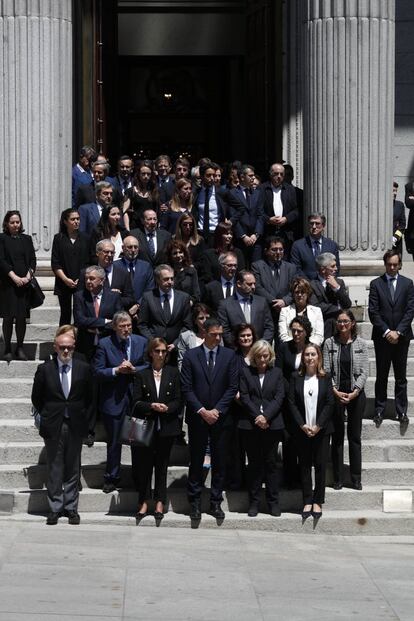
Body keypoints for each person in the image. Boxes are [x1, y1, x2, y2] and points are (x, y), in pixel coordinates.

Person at [31, 327, 93, 525]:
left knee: (73, 467)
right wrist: (49, 415)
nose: (66, 352)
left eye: (69, 348)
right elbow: (37, 398)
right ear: (55, 348)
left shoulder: (83, 368)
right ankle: (55, 508)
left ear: (74, 347)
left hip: (75, 423)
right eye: (62, 348)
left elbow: (90, 398)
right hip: (54, 424)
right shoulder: (45, 369)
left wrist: (85, 420)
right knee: (55, 467)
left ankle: (71, 508)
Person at [181, 318, 239, 521]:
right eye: (214, 334)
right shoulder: (191, 356)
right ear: (204, 333)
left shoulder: (229, 356)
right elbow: (187, 388)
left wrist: (217, 410)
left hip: (221, 419)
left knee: (220, 461)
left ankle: (215, 502)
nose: (218, 338)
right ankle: (194, 503)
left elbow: (232, 387)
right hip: (198, 418)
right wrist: (202, 410)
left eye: (220, 334)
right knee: (196, 460)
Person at [93, 311, 148, 493]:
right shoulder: (104, 344)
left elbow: (148, 366)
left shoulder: (141, 342)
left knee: (137, 441)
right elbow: (98, 372)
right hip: (114, 400)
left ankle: (139, 477)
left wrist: (134, 370)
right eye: (122, 326)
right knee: (115, 441)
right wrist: (117, 370)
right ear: (115, 327)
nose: (126, 329)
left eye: (129, 325)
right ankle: (112, 477)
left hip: (135, 400)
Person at [131, 337, 183, 521]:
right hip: (147, 426)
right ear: (151, 353)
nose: (160, 354)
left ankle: (160, 500)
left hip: (166, 426)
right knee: (144, 465)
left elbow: (178, 399)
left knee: (162, 465)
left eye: (163, 351)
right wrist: (151, 406)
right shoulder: (141, 374)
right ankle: (143, 501)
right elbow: (136, 401)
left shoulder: (173, 373)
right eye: (157, 351)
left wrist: (168, 408)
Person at [323, 310, 369, 491]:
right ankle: (338, 478)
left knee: (355, 437)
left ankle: (356, 478)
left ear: (352, 323)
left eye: (346, 321)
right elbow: (326, 370)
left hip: (355, 395)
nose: (342, 325)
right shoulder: (329, 343)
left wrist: (355, 392)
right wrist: (334, 390)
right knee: (337, 438)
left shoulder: (361, 344)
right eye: (339, 321)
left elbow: (365, 370)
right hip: (335, 395)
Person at [239, 340, 285, 516]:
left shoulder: (277, 373)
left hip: (271, 425)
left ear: (270, 356)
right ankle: (254, 503)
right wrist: (257, 416)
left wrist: (266, 416)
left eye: (265, 355)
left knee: (271, 464)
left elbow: (279, 397)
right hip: (251, 425)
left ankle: (273, 502)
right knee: (254, 465)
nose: (262, 359)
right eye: (259, 356)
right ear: (254, 356)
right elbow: (244, 396)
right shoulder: (245, 373)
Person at [368, 249, 414, 427]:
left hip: (402, 338)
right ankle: (379, 409)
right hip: (382, 337)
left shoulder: (408, 284)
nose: (392, 267)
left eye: (395, 264)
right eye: (389, 264)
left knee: (401, 376)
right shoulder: (376, 284)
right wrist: (387, 332)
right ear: (385, 264)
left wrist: (399, 332)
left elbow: (410, 310)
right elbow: (373, 311)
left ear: (400, 264)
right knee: (382, 374)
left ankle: (401, 410)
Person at [288, 344, 334, 519]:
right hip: (303, 430)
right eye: (307, 354)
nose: (310, 357)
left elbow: (330, 403)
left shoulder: (325, 377)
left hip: (321, 430)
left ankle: (318, 500)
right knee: (305, 465)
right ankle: (307, 499)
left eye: (313, 354)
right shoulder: (295, 377)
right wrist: (302, 425)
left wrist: (318, 425)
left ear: (319, 357)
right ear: (303, 358)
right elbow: (291, 402)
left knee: (321, 465)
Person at [276, 316, 313, 489]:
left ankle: (303, 478)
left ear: (306, 332)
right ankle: (289, 477)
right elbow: (279, 372)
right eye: (294, 330)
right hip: (288, 400)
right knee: (288, 439)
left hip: (307, 399)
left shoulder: (312, 348)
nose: (296, 334)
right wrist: (290, 391)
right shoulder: (284, 347)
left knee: (304, 441)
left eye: (299, 331)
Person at [0, 210, 36, 361]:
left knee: (21, 317)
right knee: (8, 317)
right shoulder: (2, 238)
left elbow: (32, 260)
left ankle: (20, 347)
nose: (15, 225)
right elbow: (1, 260)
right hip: (8, 284)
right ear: (6, 224)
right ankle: (7, 347)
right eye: (12, 222)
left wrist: (28, 276)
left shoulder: (26, 239)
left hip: (24, 284)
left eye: (17, 222)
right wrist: (14, 277)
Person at [138, 264, 192, 354]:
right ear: (157, 280)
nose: (170, 282)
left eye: (172, 278)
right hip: (155, 350)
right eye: (166, 279)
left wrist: (176, 343)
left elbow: (187, 325)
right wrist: (154, 342)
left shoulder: (183, 298)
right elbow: (142, 325)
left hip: (177, 349)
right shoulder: (148, 297)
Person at [73, 265, 123, 360]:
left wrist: (97, 329)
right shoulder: (79, 297)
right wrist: (104, 322)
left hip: (108, 345)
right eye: (86, 279)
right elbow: (80, 320)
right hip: (85, 347)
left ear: (102, 280)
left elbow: (118, 322)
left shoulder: (114, 297)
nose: (88, 282)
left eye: (92, 279)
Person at [252, 236, 297, 336]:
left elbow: (295, 289)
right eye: (274, 249)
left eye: (281, 249)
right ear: (266, 251)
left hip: (285, 312)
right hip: (265, 312)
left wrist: (284, 301)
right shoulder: (257, 266)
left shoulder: (291, 267)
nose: (278, 252)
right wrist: (275, 302)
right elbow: (257, 287)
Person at [51, 209, 90, 326]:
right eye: (73, 219)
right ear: (65, 222)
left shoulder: (86, 238)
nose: (76, 222)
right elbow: (55, 262)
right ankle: (63, 339)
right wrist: (65, 279)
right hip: (63, 282)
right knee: (65, 314)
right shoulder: (59, 238)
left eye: (78, 219)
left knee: (80, 313)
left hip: (82, 282)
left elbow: (89, 261)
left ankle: (79, 341)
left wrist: (81, 278)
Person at [218, 270, 274, 347]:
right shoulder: (225, 305)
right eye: (249, 284)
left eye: (254, 284)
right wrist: (239, 346)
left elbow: (269, 327)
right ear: (239, 284)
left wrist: (261, 345)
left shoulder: (262, 302)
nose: (253, 287)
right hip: (236, 351)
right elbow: (225, 331)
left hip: (259, 350)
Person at [310, 252, 351, 338]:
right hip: (321, 328)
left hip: (338, 328)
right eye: (332, 266)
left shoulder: (339, 282)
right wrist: (339, 307)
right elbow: (316, 307)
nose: (336, 268)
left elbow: (347, 304)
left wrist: (337, 288)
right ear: (323, 269)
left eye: (336, 265)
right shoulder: (312, 285)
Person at [231, 164, 265, 264]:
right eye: (250, 176)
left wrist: (256, 234)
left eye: (253, 175)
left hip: (256, 240)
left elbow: (260, 215)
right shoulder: (232, 193)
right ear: (242, 177)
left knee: (256, 268)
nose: (253, 178)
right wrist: (243, 236)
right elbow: (233, 217)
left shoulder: (257, 193)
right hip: (240, 240)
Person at [114, 236, 155, 320]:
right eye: (129, 247)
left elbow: (150, 290)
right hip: (119, 314)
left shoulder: (146, 266)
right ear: (123, 248)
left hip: (141, 313)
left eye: (135, 247)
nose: (133, 250)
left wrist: (138, 306)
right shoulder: (115, 266)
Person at [290, 213, 340, 280]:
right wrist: (309, 285)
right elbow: (295, 268)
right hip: (306, 286)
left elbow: (336, 268)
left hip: (327, 285)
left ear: (323, 226)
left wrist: (327, 282)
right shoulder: (298, 245)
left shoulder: (332, 245)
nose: (314, 226)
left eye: (317, 223)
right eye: (311, 223)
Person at [258, 162, 298, 245]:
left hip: (286, 232)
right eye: (276, 174)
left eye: (281, 174)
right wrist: (268, 220)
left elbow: (295, 210)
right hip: (268, 232)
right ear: (270, 174)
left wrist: (286, 218)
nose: (279, 176)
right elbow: (258, 210)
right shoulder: (262, 188)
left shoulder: (290, 189)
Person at [278, 276, 324, 346]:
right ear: (293, 294)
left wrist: (308, 348)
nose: (299, 295)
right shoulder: (285, 311)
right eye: (297, 292)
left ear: (308, 293)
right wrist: (296, 347)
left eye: (302, 292)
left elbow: (319, 336)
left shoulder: (317, 311)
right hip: (291, 350)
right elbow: (283, 335)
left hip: (310, 351)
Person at [122, 160, 159, 230]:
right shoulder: (130, 191)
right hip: (135, 228)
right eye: (143, 173)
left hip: (150, 228)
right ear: (138, 174)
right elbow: (125, 211)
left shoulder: (154, 191)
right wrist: (127, 229)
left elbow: (157, 211)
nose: (146, 176)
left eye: (148, 174)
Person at [177, 303, 212, 370]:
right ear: (195, 321)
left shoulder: (217, 335)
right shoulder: (186, 336)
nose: (205, 321)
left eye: (207, 318)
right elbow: (181, 362)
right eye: (201, 318)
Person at [165, 240, 200, 304]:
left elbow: (196, 294)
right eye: (175, 253)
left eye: (180, 252)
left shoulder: (192, 271)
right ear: (170, 256)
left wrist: (189, 303)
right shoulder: (167, 272)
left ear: (184, 253)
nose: (178, 255)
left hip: (188, 306)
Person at [392, 181, 406, 256]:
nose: (395, 193)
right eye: (393, 190)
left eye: (396, 191)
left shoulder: (400, 205)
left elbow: (402, 225)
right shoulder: (380, 205)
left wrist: (395, 237)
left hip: (396, 242)